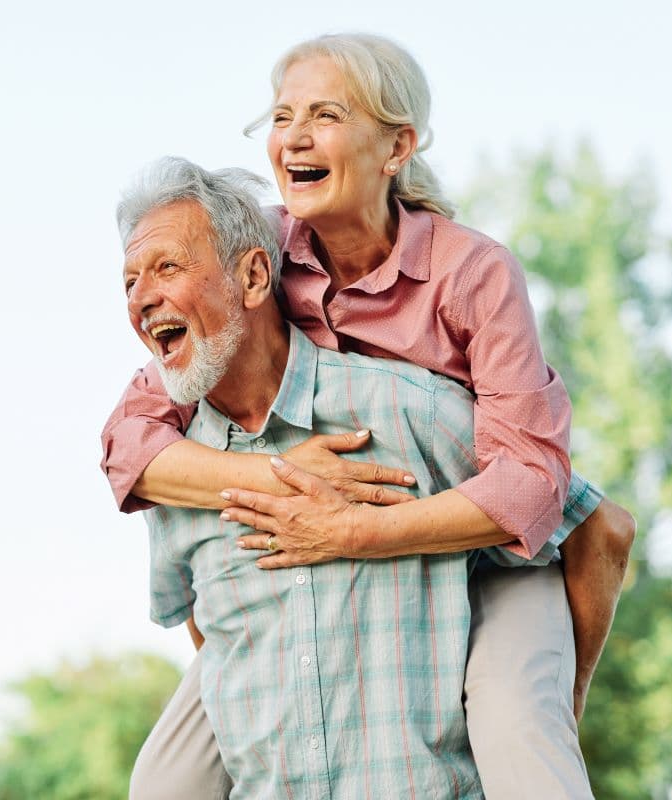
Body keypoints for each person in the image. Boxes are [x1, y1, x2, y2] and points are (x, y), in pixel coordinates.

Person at [106, 34, 635, 800]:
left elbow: (533, 491)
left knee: (521, 732)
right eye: (283, 116)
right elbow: (128, 441)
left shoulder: (472, 274)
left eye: (325, 114)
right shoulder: (260, 251)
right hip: (316, 551)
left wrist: (351, 530)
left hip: (481, 550)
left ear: (398, 147)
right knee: (163, 781)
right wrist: (277, 479)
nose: (294, 136)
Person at [122, 155, 523, 797]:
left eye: (167, 267)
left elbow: (569, 521)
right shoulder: (172, 478)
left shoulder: (408, 410)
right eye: (130, 282)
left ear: (255, 277)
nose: (142, 299)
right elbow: (213, 638)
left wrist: (558, 699)